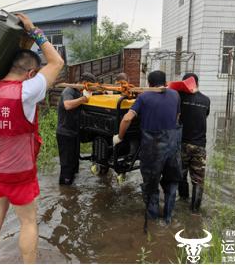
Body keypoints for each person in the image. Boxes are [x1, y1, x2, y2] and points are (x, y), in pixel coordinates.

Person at [0, 13, 64, 263]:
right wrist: (33, 30)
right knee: (28, 221)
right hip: (18, 172)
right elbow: (56, 63)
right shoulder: (26, 91)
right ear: (31, 73)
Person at [113, 70, 182, 224]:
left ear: (149, 84)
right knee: (171, 182)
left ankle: (152, 221)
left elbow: (127, 118)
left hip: (153, 148)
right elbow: (177, 118)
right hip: (173, 147)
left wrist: (120, 137)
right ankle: (168, 218)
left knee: (151, 185)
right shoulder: (175, 95)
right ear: (165, 82)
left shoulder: (144, 97)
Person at [178, 73, 210, 213]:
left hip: (182, 144)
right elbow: (205, 115)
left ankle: (183, 199)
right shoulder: (206, 100)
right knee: (198, 179)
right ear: (197, 83)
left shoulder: (179, 97)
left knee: (181, 174)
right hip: (199, 145)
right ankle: (195, 212)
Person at [57, 72, 96, 185]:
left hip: (74, 132)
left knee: (74, 164)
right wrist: (83, 99)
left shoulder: (79, 92)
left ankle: (71, 194)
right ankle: (64, 190)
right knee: (66, 164)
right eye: (90, 87)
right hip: (65, 133)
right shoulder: (69, 90)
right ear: (85, 83)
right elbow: (67, 105)